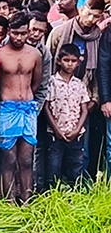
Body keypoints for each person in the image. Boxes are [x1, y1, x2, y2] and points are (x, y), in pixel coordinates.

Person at [0, 14, 43, 202]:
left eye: (23, 33)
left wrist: (26, 97)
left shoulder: (35, 54)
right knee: (9, 158)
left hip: (28, 109)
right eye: (15, 33)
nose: (19, 38)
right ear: (8, 32)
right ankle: (8, 201)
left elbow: (37, 82)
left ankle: (26, 200)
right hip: (7, 109)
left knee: (26, 159)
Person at [47, 44, 93, 186]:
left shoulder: (79, 84)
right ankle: (52, 198)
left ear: (78, 62)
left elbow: (84, 109)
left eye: (73, 61)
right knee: (54, 168)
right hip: (56, 135)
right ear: (59, 61)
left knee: (75, 168)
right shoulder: (52, 82)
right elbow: (46, 107)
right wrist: (56, 130)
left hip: (76, 135)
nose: (70, 64)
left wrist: (77, 130)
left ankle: (73, 198)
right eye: (66, 60)